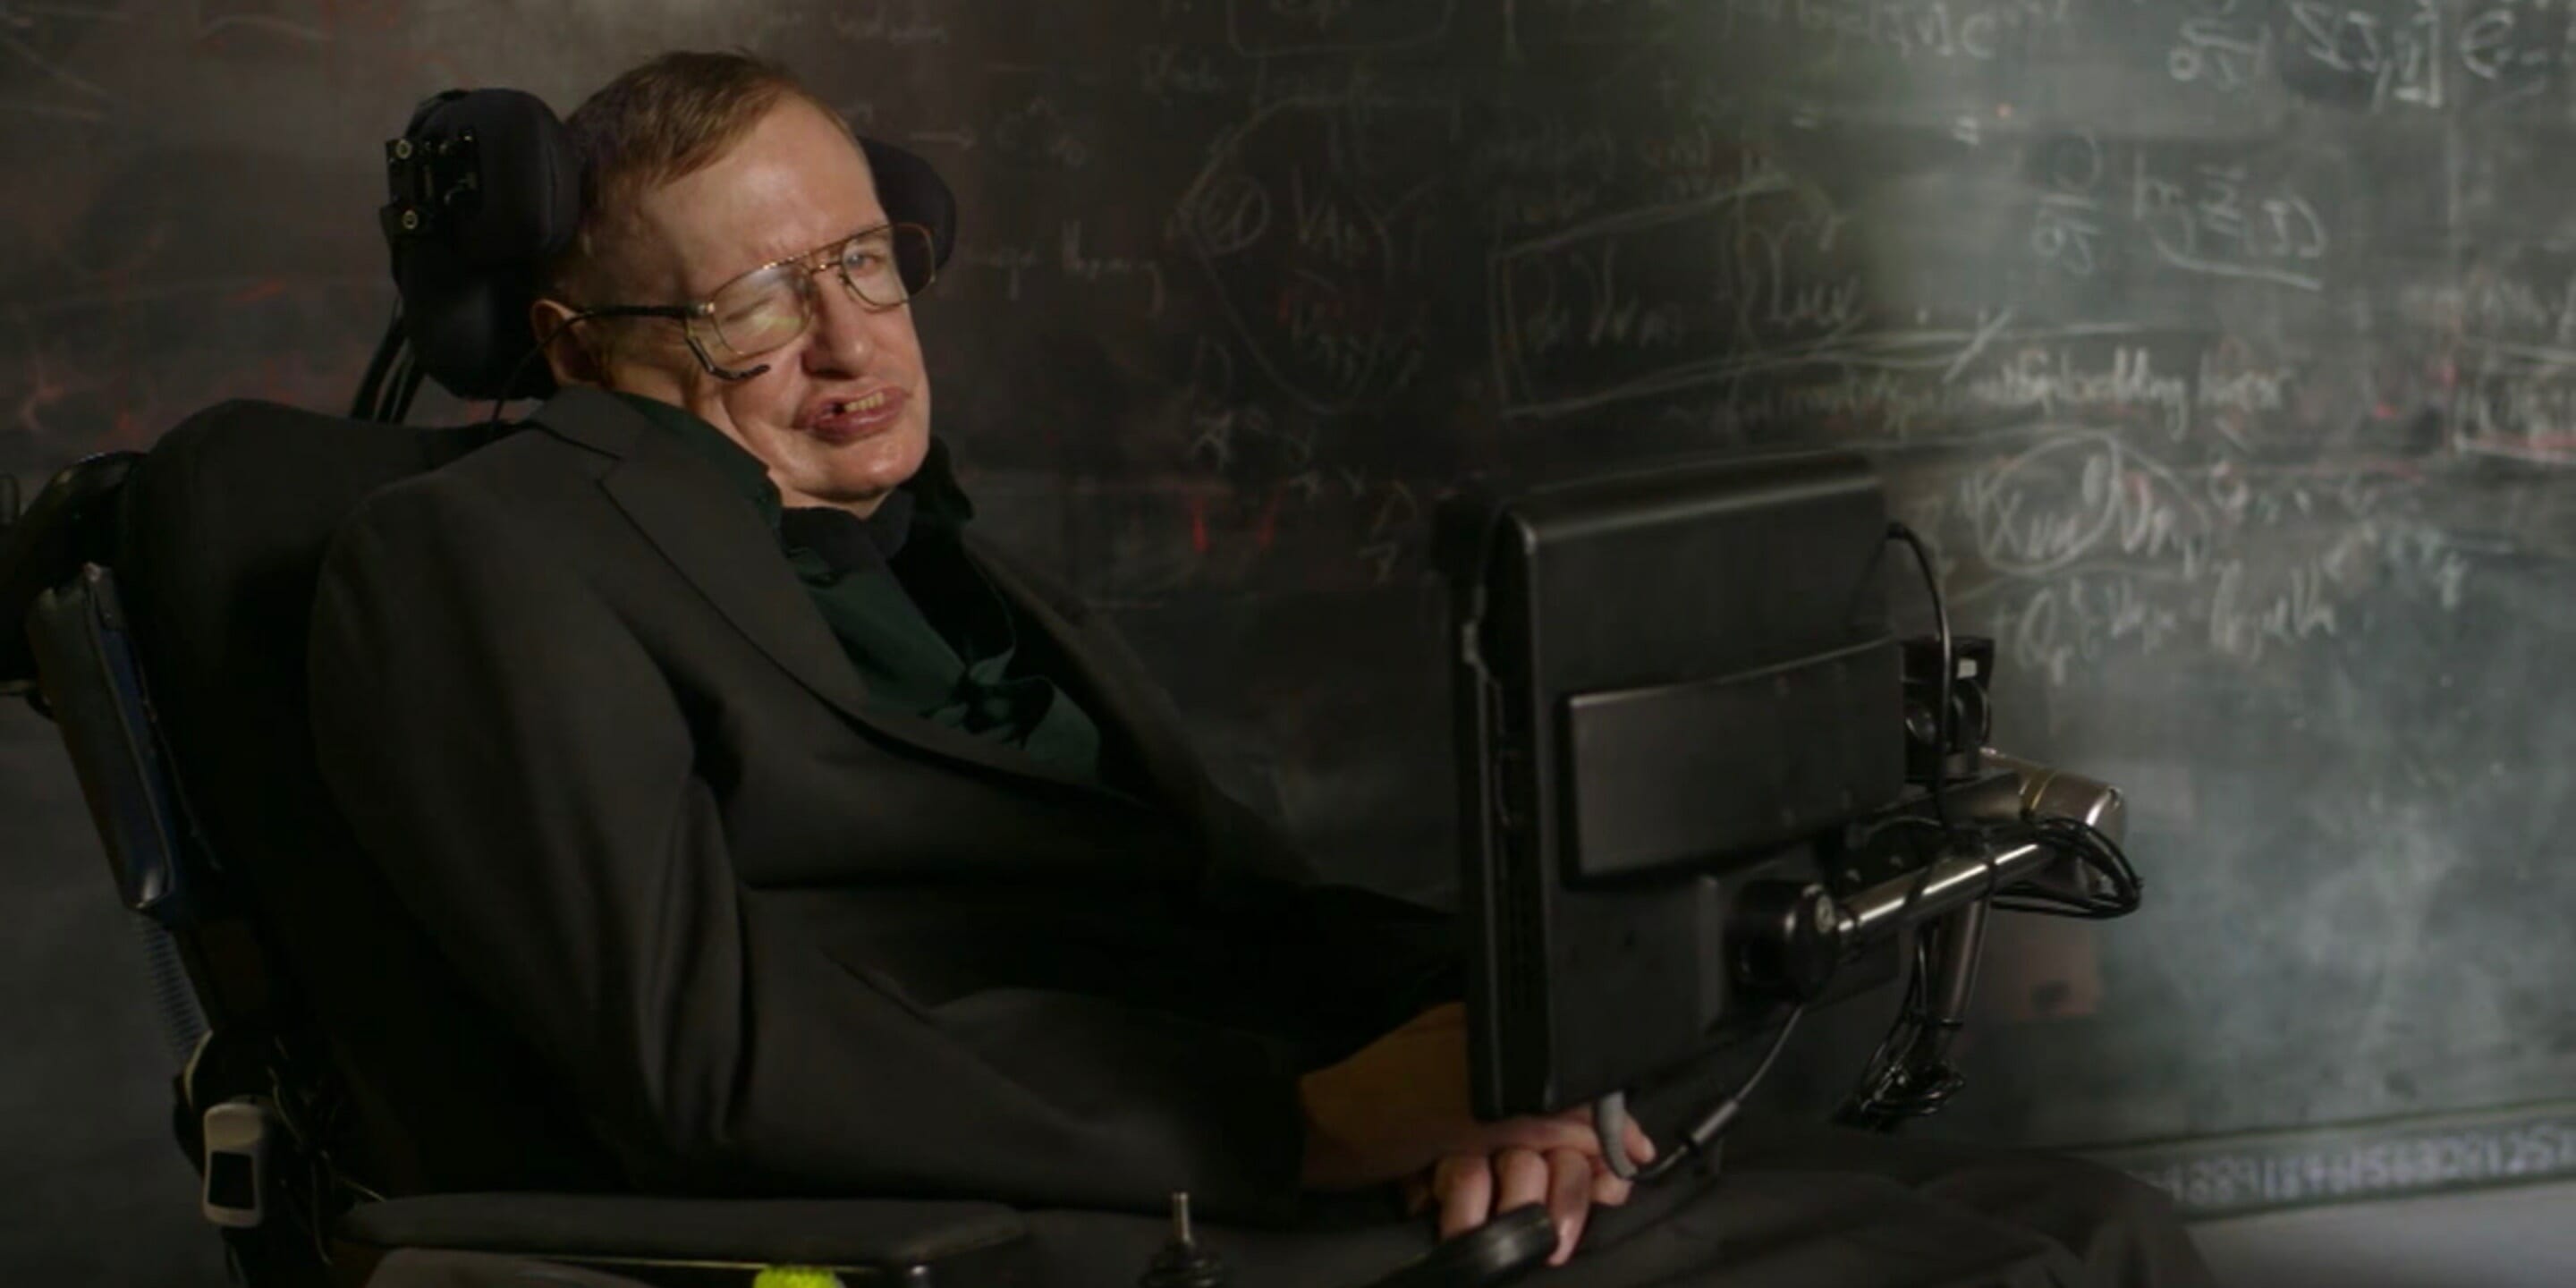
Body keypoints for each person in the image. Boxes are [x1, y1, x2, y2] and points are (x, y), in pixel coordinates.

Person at [307, 50, 2214, 1286]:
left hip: (1280, 1127)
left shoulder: (941, 559)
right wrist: (1307, 1123)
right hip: (1058, 1205)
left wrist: (1526, 1054)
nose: (849, 340)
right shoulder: (486, 551)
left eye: (867, 261)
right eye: (750, 303)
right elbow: (700, 1052)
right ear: (575, 346)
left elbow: (1240, 908)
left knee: (2101, 1223)